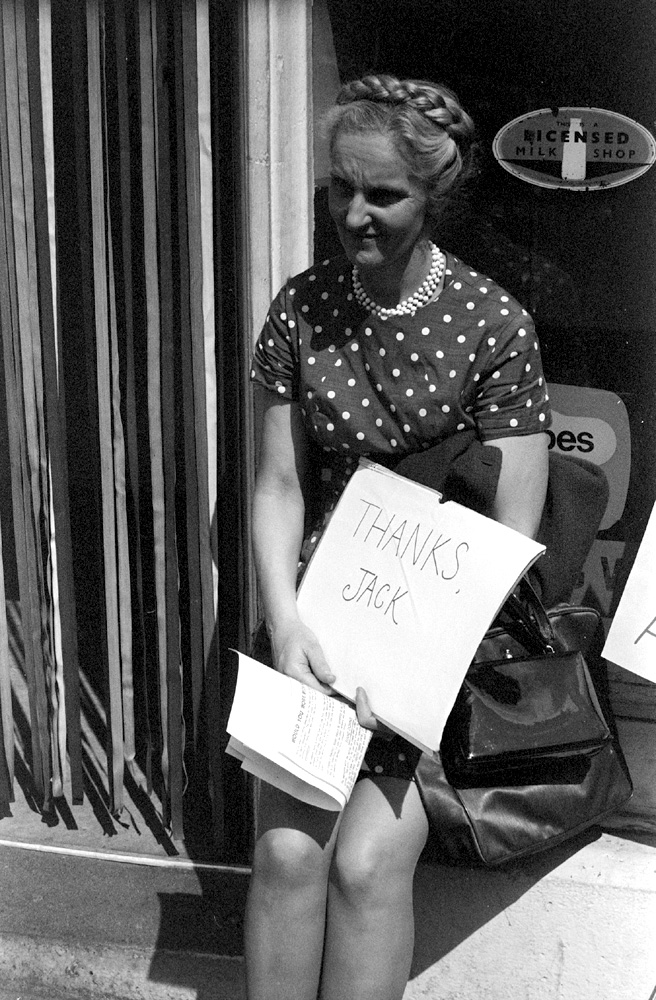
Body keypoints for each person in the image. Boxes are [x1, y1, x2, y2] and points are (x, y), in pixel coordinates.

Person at [245, 73, 551, 1000]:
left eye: (384, 194)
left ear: (435, 195)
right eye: (341, 187)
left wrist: (424, 662)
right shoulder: (302, 309)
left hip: (438, 636)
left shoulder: (494, 325)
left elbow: (515, 523)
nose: (356, 213)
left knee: (367, 865)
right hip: (320, 621)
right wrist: (287, 628)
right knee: (290, 856)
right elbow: (277, 483)